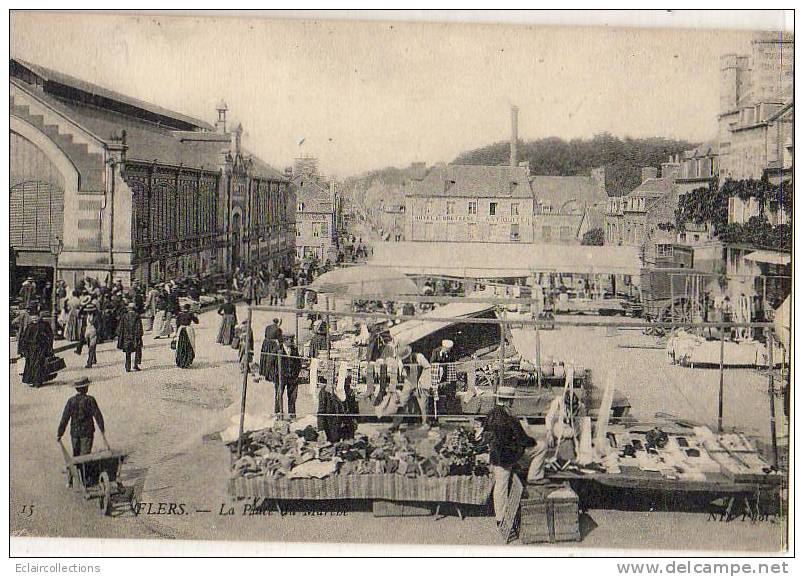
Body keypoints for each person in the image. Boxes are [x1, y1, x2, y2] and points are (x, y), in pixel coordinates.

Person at [482, 386, 537, 526]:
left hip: (495, 455)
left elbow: (485, 435)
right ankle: (503, 518)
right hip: (507, 457)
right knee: (503, 486)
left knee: (500, 486)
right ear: (509, 401)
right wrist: (533, 441)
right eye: (511, 401)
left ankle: (500, 516)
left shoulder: (491, 414)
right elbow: (523, 438)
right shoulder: (509, 417)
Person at [57, 377, 106, 457]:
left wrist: (60, 433)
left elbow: (65, 418)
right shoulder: (90, 400)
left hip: (75, 433)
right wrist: (102, 428)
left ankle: (79, 469)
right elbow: (97, 415)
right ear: (86, 388)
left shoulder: (71, 401)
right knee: (85, 456)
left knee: (76, 456)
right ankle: (85, 469)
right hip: (87, 432)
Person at [19, 310, 56, 387]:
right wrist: (23, 349)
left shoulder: (44, 325)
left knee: (39, 364)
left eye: (36, 317)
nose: (34, 319)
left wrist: (49, 347)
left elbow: (50, 336)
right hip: (31, 349)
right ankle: (32, 380)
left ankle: (38, 381)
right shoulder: (30, 326)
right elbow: (24, 338)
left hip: (41, 348)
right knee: (31, 364)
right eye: (32, 318)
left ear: (39, 316)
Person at [276, 336, 302, 416]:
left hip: (292, 377)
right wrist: (276, 374)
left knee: (292, 397)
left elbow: (298, 363)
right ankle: (278, 414)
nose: (292, 342)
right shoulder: (278, 349)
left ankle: (292, 414)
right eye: (291, 340)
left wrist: (296, 374)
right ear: (285, 340)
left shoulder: (294, 349)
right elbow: (271, 363)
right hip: (281, 377)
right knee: (279, 396)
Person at [117, 302, 143, 372]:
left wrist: (120, 336)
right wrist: (139, 335)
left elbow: (120, 327)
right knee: (137, 350)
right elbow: (139, 327)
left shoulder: (124, 316)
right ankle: (136, 365)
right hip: (135, 336)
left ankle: (127, 367)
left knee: (128, 353)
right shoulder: (137, 316)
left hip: (126, 336)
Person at [174, 304, 199, 368]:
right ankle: (187, 361)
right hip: (188, 330)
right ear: (189, 308)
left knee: (180, 345)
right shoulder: (190, 314)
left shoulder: (179, 315)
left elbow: (177, 324)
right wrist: (195, 316)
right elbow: (197, 322)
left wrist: (176, 333)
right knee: (189, 344)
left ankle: (180, 361)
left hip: (181, 330)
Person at [83, 302, 99, 368]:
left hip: (93, 331)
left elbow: (99, 325)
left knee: (91, 347)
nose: (89, 312)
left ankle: (89, 362)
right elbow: (83, 325)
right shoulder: (85, 316)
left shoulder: (96, 316)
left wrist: (97, 331)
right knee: (90, 346)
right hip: (87, 331)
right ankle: (94, 359)